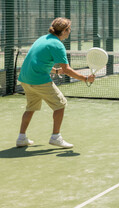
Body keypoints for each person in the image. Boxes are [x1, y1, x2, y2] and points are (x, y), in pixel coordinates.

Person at [16, 17, 95, 148]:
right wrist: (85, 78)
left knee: (30, 108)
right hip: (38, 80)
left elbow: (36, 60)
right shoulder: (58, 45)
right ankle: (56, 137)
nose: (70, 31)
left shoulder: (43, 38)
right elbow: (67, 69)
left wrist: (56, 71)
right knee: (60, 104)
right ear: (64, 31)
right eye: (69, 29)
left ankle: (21, 138)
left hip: (25, 78)